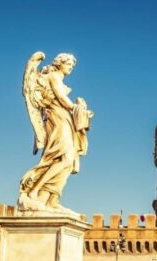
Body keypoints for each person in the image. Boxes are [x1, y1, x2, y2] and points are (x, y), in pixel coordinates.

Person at [20, 52, 93, 213]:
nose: (71, 68)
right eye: (69, 64)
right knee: (63, 157)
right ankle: (34, 191)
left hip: (65, 119)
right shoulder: (53, 77)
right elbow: (61, 98)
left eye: (72, 66)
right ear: (59, 63)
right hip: (57, 120)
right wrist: (78, 108)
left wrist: (78, 109)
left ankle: (51, 200)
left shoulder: (58, 79)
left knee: (68, 161)